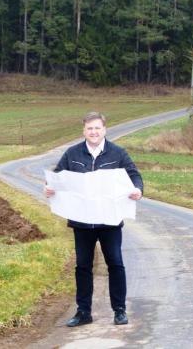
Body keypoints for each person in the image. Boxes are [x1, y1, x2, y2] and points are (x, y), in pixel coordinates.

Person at [44, 111, 143, 327]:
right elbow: (57, 177)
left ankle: (119, 311)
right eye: (90, 128)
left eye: (97, 128)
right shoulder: (72, 154)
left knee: (115, 264)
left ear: (104, 130)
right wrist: (50, 188)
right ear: (84, 131)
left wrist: (137, 189)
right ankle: (83, 312)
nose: (94, 132)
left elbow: (134, 175)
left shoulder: (118, 153)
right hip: (82, 222)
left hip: (110, 221)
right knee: (83, 266)